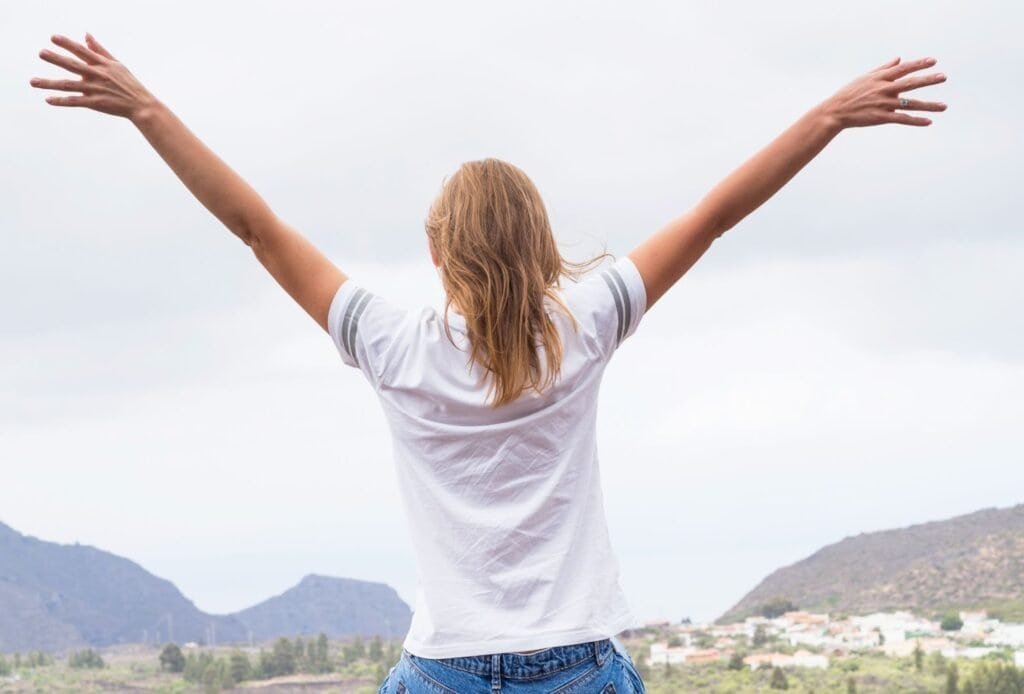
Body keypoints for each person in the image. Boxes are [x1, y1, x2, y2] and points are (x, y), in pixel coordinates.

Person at [32, 33, 946, 693]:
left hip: (444, 668)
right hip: (581, 665)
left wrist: (146, 110)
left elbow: (256, 229)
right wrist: (829, 114)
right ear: (540, 246)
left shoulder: (390, 344)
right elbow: (713, 215)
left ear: (439, 254)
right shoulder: (585, 323)